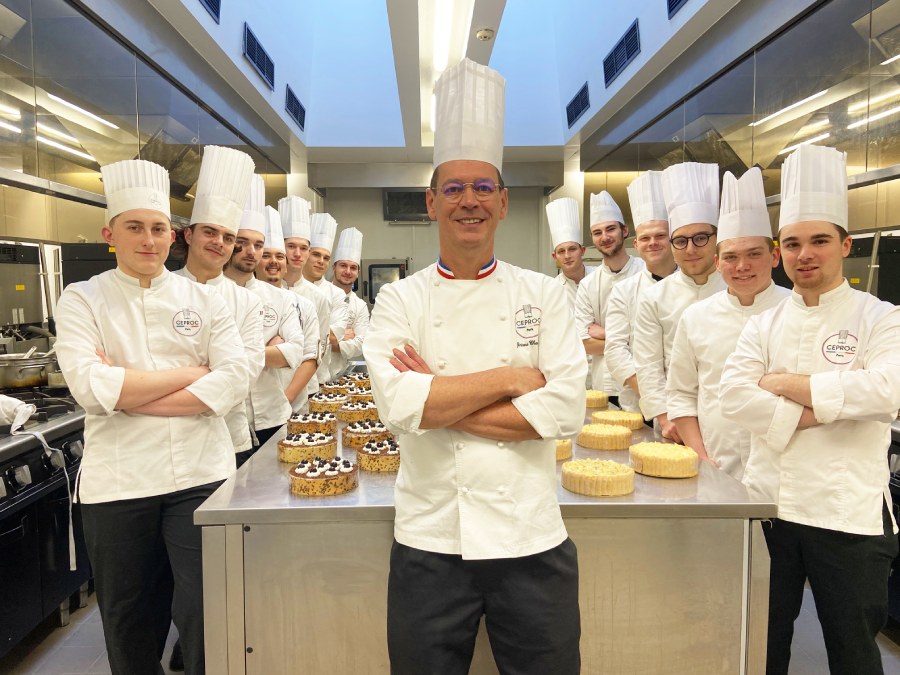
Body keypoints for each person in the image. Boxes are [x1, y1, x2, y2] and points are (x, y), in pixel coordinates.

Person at [364, 57, 585, 675]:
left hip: (532, 539)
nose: (469, 201)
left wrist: (438, 394)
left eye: (483, 188)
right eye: (454, 189)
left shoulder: (545, 294)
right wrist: (514, 380)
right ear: (431, 203)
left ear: (504, 203)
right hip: (429, 543)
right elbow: (400, 409)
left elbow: (565, 409)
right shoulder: (399, 299)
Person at [54, 159, 249, 675]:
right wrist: (191, 374)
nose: (148, 240)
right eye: (134, 227)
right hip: (119, 484)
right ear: (110, 234)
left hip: (200, 475)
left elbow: (230, 383)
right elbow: (89, 387)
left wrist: (127, 390)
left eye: (158, 228)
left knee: (211, 613)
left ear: (173, 235)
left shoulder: (206, 300)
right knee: (130, 621)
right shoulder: (82, 298)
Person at [720, 144, 900, 675]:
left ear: (844, 244)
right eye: (794, 243)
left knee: (853, 651)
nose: (806, 255)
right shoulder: (764, 324)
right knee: (763, 645)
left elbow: (887, 391)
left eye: (820, 240)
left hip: (847, 515)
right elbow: (733, 395)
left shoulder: (881, 317)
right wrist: (824, 406)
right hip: (771, 507)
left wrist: (781, 383)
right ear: (782, 251)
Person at [666, 167, 789, 478]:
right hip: (715, 463)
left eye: (754, 254)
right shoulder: (696, 317)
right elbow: (681, 393)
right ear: (718, 263)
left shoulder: (796, 309)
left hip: (786, 471)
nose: (742, 266)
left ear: (774, 257)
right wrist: (699, 455)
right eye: (731, 257)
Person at [172, 145, 264, 464]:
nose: (219, 243)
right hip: (165, 439)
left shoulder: (247, 302)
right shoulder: (160, 290)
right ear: (188, 234)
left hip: (228, 438)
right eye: (210, 232)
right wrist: (212, 370)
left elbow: (244, 374)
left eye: (228, 237)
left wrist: (174, 378)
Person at [632, 162, 725, 440]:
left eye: (700, 238)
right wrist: (664, 415)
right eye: (681, 241)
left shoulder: (737, 289)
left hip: (731, 418)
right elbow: (648, 364)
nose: (691, 249)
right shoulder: (653, 298)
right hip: (674, 421)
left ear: (717, 238)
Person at [223, 178, 310, 451]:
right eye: (242, 242)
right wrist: (268, 351)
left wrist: (229, 356)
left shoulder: (281, 298)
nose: (252, 252)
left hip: (273, 415)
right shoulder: (205, 292)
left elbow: (296, 352)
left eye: (258, 244)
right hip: (224, 422)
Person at [604, 171, 676, 415]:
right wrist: (655, 398)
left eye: (660, 236)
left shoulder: (693, 287)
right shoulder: (624, 291)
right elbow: (615, 350)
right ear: (636, 244)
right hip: (639, 407)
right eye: (645, 238)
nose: (652, 243)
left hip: (691, 405)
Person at [573, 191, 645, 404]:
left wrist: (604, 333)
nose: (604, 237)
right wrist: (632, 340)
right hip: (604, 386)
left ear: (624, 231)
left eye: (611, 229)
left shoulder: (645, 274)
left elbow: (655, 339)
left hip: (644, 382)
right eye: (597, 232)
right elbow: (584, 344)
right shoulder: (588, 285)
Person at [259, 206, 320, 413]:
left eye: (279, 256)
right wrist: (274, 349)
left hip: (293, 403)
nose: (273, 262)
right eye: (266, 255)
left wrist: (285, 399)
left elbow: (308, 355)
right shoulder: (241, 298)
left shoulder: (303, 304)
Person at [280, 195, 331, 394]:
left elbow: (318, 349)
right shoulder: (262, 292)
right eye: (291, 246)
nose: (297, 254)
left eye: (303, 248)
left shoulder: (317, 298)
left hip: (305, 390)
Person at [303, 212, 349, 380]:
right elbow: (324, 335)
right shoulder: (286, 288)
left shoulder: (337, 294)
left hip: (321, 378)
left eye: (326, 257)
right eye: (316, 254)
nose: (321, 261)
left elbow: (333, 336)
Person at [329, 227, 369, 376]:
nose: (348, 271)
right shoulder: (319, 295)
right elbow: (310, 337)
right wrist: (342, 337)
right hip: (313, 375)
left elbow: (361, 343)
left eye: (353, 267)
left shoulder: (360, 305)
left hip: (339, 373)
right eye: (343, 265)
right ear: (334, 268)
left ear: (358, 272)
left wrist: (332, 342)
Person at [545, 196, 595, 311]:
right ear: (554, 256)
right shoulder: (553, 289)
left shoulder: (599, 276)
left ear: (582, 251)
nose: (567, 256)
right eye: (561, 251)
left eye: (572, 249)